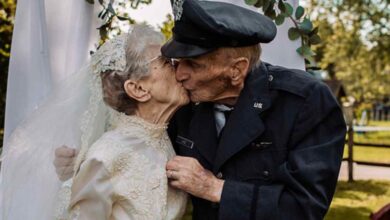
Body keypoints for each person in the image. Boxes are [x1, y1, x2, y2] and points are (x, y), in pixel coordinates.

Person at [55, 1, 347, 219]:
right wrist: (78, 160)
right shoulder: (183, 105)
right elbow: (131, 142)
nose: (178, 74)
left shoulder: (305, 102)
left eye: (192, 64)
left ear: (236, 70)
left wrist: (215, 189)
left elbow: (306, 207)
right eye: (175, 61)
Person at [1, 24, 187, 220]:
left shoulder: (165, 136)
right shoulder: (106, 154)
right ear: (138, 89)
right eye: (166, 62)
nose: (179, 67)